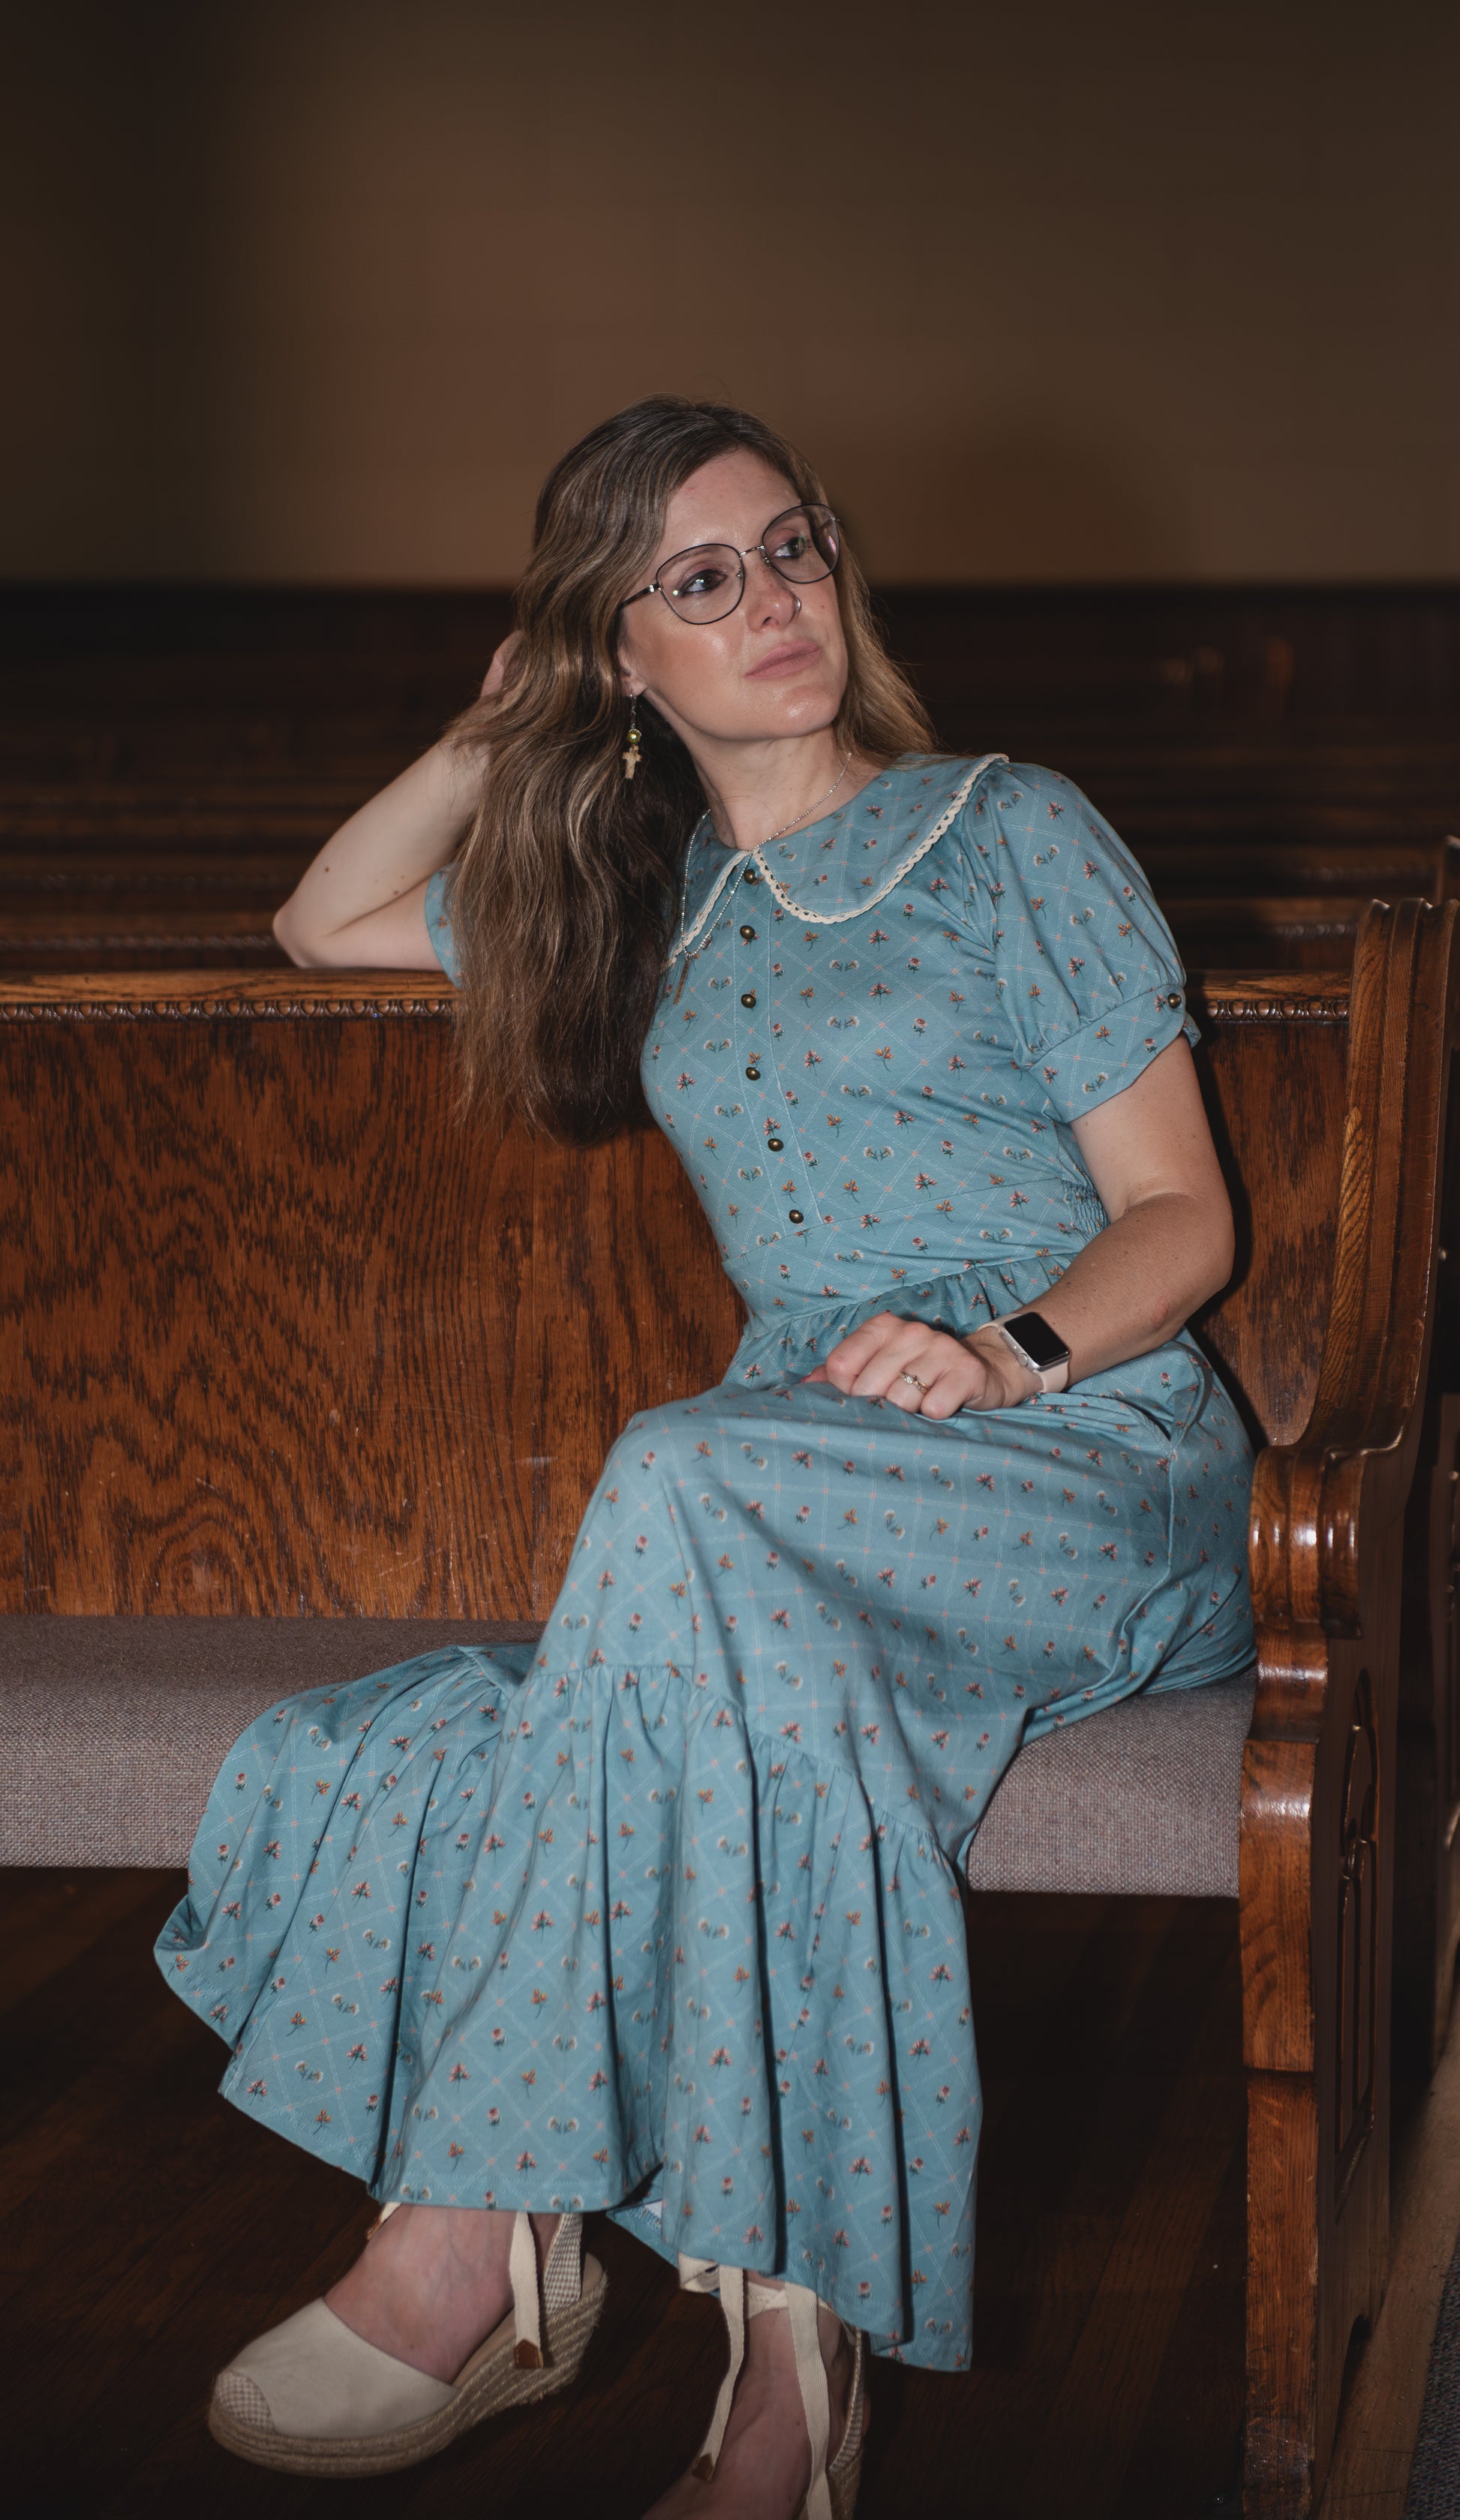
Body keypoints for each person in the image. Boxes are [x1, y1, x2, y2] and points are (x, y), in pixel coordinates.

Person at [158, 396, 1254, 2516]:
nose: (776, 598)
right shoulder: (639, 905)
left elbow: (1186, 1221)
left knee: (671, 1481)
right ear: (617, 656)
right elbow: (320, 920)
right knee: (757, 1692)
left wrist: (1000, 1350)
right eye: (697, 580)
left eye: (792, 545)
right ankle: (788, 2396)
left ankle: (474, 2216)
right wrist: (501, 732)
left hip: (1083, 1455)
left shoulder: (1008, 828)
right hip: (786, 1516)